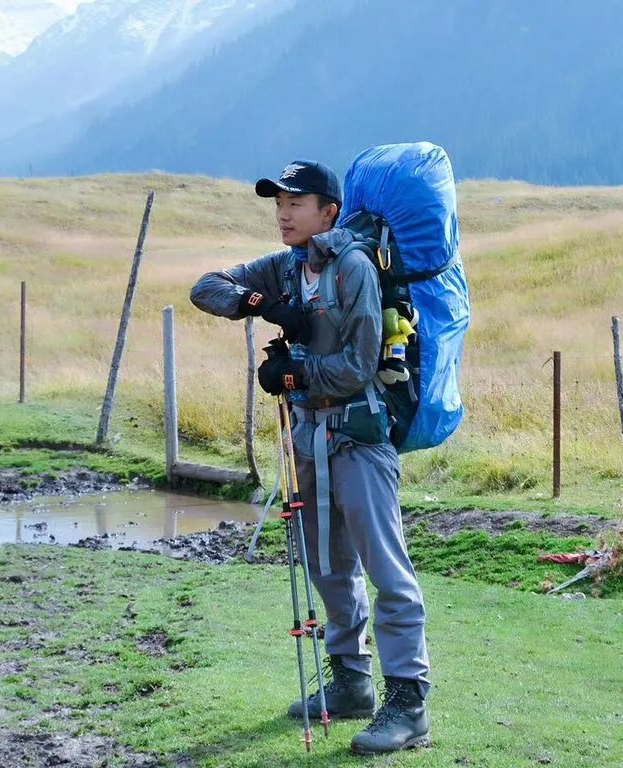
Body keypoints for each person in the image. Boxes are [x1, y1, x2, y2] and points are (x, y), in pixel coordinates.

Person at [189, 160, 431, 755]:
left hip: (359, 436)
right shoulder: (284, 267)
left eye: (296, 201)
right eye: (277, 202)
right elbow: (205, 286)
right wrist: (254, 301)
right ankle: (352, 682)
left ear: (329, 211)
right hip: (309, 438)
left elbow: (358, 364)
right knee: (327, 565)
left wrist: (296, 369)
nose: (282, 211)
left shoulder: (351, 267)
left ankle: (409, 702)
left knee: (386, 569)